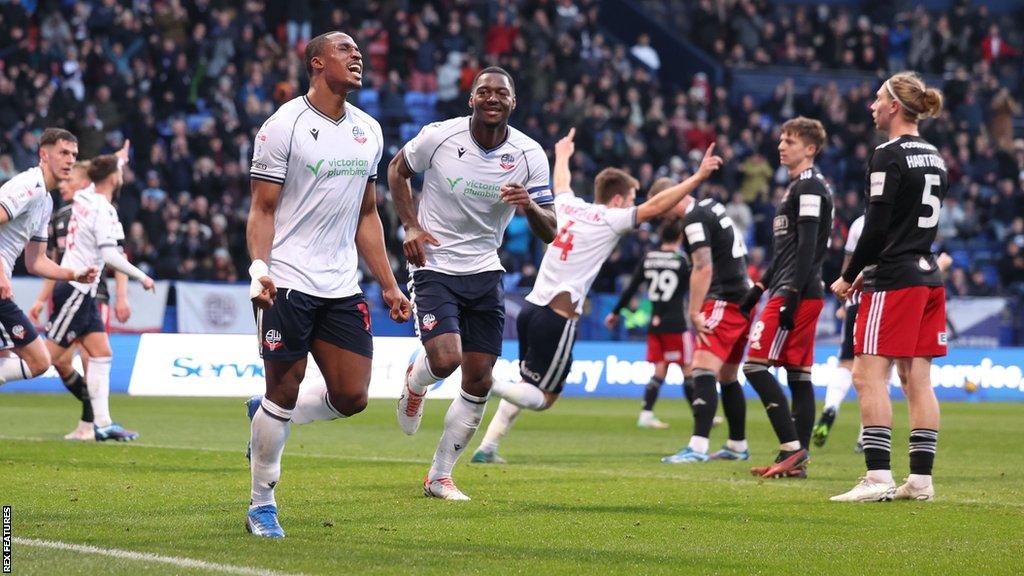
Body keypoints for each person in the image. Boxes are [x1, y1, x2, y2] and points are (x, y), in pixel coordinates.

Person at [244, 31, 411, 538]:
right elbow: (262, 209)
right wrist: (260, 268)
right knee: (285, 389)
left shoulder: (369, 131)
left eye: (358, 50)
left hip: (341, 285)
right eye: (344, 49)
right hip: (288, 280)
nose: (356, 55)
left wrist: (387, 283)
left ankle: (265, 417)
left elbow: (367, 214)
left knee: (352, 396)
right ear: (317, 63)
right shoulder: (282, 127)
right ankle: (261, 504)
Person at [471, 131, 722, 464]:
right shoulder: (610, 219)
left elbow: (561, 183)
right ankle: (487, 382)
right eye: (632, 198)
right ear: (618, 200)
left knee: (527, 381)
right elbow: (658, 206)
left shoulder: (568, 205)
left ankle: (487, 447)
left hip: (532, 308)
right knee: (544, 397)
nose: (634, 204)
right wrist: (698, 177)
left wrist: (562, 155)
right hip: (558, 317)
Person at [388, 66, 557, 501]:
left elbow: (550, 229)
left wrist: (528, 206)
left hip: (485, 269)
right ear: (472, 99)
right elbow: (396, 169)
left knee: (478, 379)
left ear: (512, 103)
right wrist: (410, 226)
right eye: (484, 91)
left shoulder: (529, 154)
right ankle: (417, 380)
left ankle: (439, 475)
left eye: (501, 93)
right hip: (434, 263)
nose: (492, 98)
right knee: (446, 360)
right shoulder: (439, 136)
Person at [829, 73, 948, 503]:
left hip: (895, 281)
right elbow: (910, 227)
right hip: (928, 276)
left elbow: (877, 227)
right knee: (917, 379)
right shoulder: (935, 155)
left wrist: (850, 272)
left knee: (866, 374)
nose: (872, 106)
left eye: (878, 98)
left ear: (895, 105)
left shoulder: (888, 153)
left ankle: (878, 476)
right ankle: (920, 480)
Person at [739, 117, 833, 479]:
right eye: (781, 139)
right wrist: (760, 287)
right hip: (793, 286)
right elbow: (787, 250)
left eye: (790, 141)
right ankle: (797, 461)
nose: (781, 145)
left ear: (810, 149)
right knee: (798, 374)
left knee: (755, 366)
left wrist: (790, 292)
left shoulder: (809, 187)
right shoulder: (796, 187)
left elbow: (810, 245)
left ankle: (791, 447)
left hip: (797, 290)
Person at [38, 145, 151, 442]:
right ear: (114, 178)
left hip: (90, 292)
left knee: (100, 354)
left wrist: (119, 158)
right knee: (45, 359)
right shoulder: (97, 206)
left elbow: (97, 173)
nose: (65, 184)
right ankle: (93, 422)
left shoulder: (85, 199)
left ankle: (100, 423)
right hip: (76, 289)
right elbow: (112, 256)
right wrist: (143, 277)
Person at [0, 128, 98, 389]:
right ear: (44, 154)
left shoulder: (45, 201)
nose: (70, 160)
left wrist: (73, 274)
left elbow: (36, 262)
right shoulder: (28, 186)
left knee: (4, 362)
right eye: (63, 153)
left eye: (74, 154)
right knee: (38, 361)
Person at [660, 191, 753, 464]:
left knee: (701, 368)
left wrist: (693, 311)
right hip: (742, 296)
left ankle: (697, 447)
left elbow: (703, 266)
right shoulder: (712, 206)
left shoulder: (693, 216)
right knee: (727, 375)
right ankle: (737, 445)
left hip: (725, 298)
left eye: (661, 208)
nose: (662, 216)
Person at [606, 183, 694, 429]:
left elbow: (631, 288)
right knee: (688, 368)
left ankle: (646, 413)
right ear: (679, 237)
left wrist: (615, 312)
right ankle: (701, 412)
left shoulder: (648, 258)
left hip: (655, 321)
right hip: (676, 322)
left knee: (660, 369)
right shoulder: (682, 261)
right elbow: (693, 288)